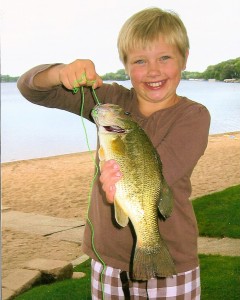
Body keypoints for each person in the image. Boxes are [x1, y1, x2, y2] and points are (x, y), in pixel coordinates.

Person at [17, 7, 210, 299]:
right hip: (107, 259)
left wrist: (119, 185)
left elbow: (160, 172)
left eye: (165, 57)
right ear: (126, 65)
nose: (154, 70)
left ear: (184, 59)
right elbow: (33, 90)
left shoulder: (193, 116)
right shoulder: (110, 104)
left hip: (171, 258)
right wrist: (61, 71)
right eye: (140, 61)